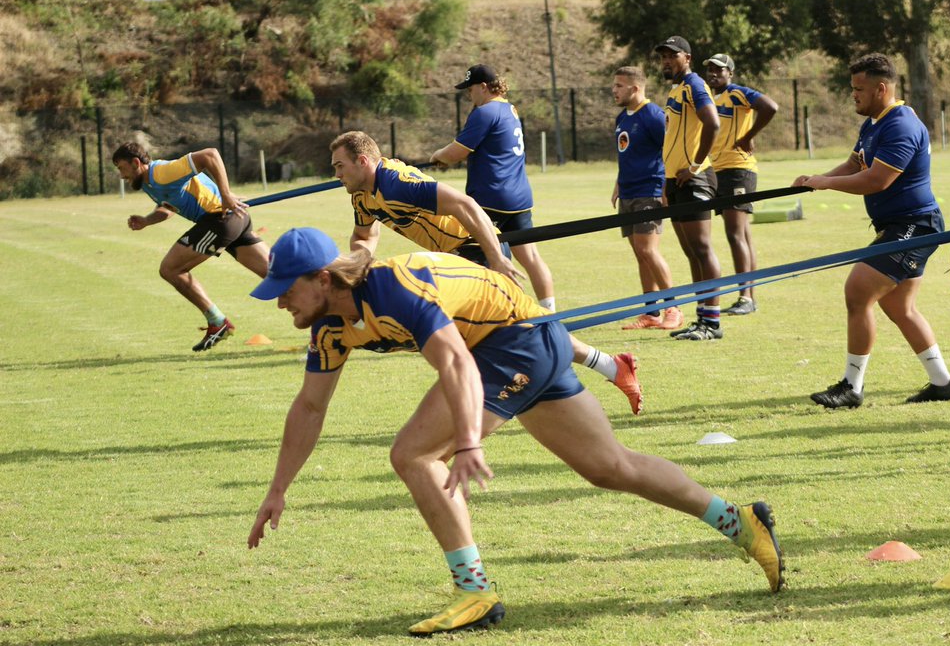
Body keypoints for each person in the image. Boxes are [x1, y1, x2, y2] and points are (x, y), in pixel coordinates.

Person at [245, 228, 785, 636]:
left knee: (412, 455)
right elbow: (310, 408)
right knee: (609, 467)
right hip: (526, 344)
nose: (277, 301)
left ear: (323, 279)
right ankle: (741, 523)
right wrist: (277, 489)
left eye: (284, 288)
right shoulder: (329, 327)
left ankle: (474, 592)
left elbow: (456, 363)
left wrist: (468, 441)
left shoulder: (393, 288)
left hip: (515, 344)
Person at [331, 130, 644, 414]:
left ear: (362, 161)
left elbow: (465, 205)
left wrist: (495, 258)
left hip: (474, 249)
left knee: (511, 330)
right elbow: (364, 236)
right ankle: (609, 367)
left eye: (340, 166)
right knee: (523, 326)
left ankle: (503, 402)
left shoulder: (396, 182)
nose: (337, 174)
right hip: (452, 260)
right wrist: (355, 269)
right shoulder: (362, 196)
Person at [793, 54, 950, 409]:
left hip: (915, 224)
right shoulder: (875, 123)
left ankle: (852, 387)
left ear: (881, 89)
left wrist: (827, 183)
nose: (853, 95)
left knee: (858, 291)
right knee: (900, 307)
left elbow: (877, 179)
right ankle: (942, 383)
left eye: (859, 89)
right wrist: (815, 181)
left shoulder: (900, 125)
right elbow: (856, 163)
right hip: (901, 224)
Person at [112, 141, 268, 351]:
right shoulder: (149, 183)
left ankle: (217, 322)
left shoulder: (162, 173)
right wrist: (147, 220)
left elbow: (210, 155)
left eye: (122, 168)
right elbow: (169, 207)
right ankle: (323, 310)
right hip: (231, 219)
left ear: (136, 162)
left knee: (170, 269)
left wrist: (226, 194)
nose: (122, 175)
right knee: (277, 274)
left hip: (220, 219)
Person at [430, 64, 557, 312]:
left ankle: (503, 314)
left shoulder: (484, 112)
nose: (469, 95)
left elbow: (456, 153)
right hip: (519, 198)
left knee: (481, 258)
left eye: (471, 89)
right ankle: (549, 312)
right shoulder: (510, 109)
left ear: (484, 87)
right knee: (530, 257)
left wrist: (438, 155)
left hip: (490, 197)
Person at [654, 36, 724, 340]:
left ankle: (713, 322)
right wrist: (666, 182)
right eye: (663, 56)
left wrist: (695, 165)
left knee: (702, 249)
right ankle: (701, 319)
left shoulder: (695, 84)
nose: (667, 61)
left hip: (695, 178)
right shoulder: (676, 89)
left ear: (688, 58)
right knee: (691, 253)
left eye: (673, 55)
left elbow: (713, 124)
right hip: (676, 181)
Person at [610, 66, 684, 331]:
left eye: (619, 85)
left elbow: (669, 150)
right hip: (628, 193)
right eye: (615, 85)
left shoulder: (653, 115)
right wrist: (618, 184)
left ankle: (673, 308)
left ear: (635, 88)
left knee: (649, 251)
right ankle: (651, 313)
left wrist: (664, 189)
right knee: (640, 254)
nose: (614, 90)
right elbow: (627, 153)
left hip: (649, 191)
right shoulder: (622, 118)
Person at [704, 53, 778, 316]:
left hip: (739, 169)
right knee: (742, 234)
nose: (713, 73)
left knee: (735, 234)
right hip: (721, 170)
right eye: (710, 69)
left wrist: (749, 136)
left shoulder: (737, 93)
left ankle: (746, 297)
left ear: (730, 73)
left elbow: (770, 106)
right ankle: (748, 296)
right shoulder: (712, 99)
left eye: (719, 70)